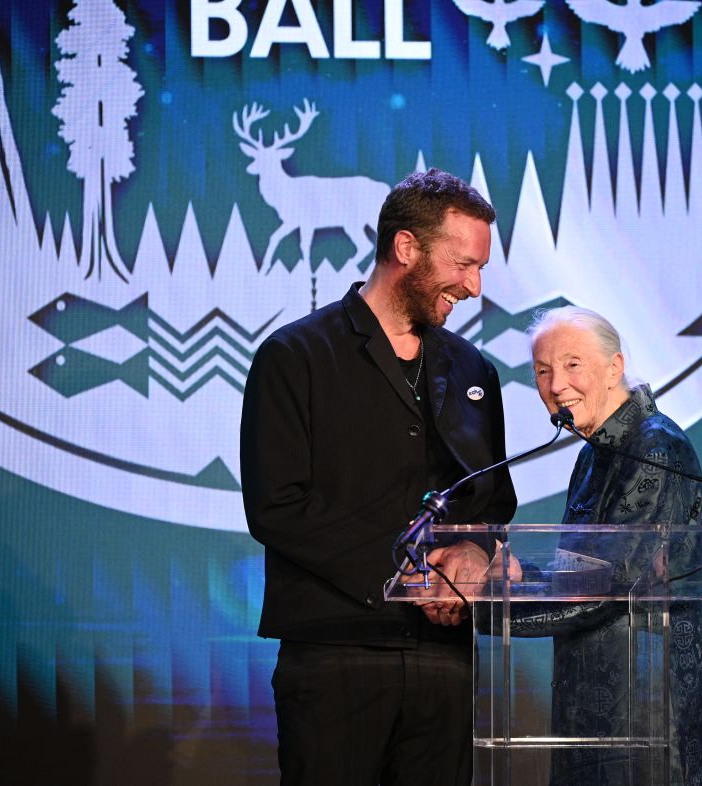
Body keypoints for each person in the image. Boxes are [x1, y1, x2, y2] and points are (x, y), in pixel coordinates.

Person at [240, 168, 517, 786]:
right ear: (406, 249)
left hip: (445, 658)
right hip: (337, 653)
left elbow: (493, 499)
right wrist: (410, 577)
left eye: (481, 269)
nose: (474, 287)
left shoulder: (474, 370)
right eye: (464, 265)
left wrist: (474, 552)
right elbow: (277, 506)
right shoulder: (297, 357)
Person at [514, 306, 702, 786]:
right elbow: (586, 572)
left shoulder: (654, 448)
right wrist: (522, 576)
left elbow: (610, 588)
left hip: (644, 706)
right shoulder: (593, 454)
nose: (556, 384)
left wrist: (477, 610)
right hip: (594, 700)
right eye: (542, 371)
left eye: (572, 364)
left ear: (614, 367)